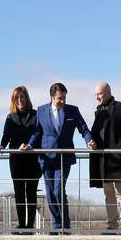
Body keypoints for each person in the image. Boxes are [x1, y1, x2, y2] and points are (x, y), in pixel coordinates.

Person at [26, 82, 96, 231]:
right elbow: (37, 132)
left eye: (64, 98)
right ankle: (56, 225)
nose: (63, 101)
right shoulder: (41, 111)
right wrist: (30, 145)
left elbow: (83, 128)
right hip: (46, 157)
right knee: (50, 192)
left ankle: (65, 225)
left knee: (58, 189)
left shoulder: (72, 110)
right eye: (60, 98)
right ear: (52, 97)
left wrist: (89, 141)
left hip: (64, 157)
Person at [89, 82, 121, 231]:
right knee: (108, 194)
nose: (97, 97)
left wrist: (120, 145)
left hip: (117, 159)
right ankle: (111, 224)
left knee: (120, 193)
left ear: (108, 92)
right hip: (103, 160)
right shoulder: (98, 111)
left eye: (100, 94)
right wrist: (93, 144)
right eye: (96, 94)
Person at [0, 85, 41, 232]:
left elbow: (38, 134)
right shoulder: (10, 117)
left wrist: (30, 145)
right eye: (17, 97)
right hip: (16, 159)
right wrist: (1, 146)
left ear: (26, 98)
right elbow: (6, 136)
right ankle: (21, 225)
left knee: (31, 191)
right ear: (13, 100)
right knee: (18, 192)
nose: (20, 100)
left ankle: (30, 225)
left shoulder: (36, 115)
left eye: (22, 97)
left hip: (32, 159)